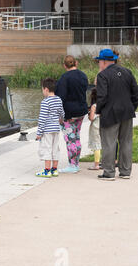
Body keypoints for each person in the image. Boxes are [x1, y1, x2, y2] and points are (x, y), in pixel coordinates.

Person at [95, 48, 138, 180]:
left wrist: (99, 111)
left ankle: (109, 172)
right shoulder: (127, 72)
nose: (98, 64)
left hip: (110, 113)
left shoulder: (103, 75)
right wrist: (132, 107)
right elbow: (135, 93)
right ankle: (125, 171)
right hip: (127, 111)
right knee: (126, 142)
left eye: (99, 61)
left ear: (104, 61)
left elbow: (102, 97)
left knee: (109, 143)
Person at [55, 55, 89, 173]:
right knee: (77, 137)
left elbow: (60, 98)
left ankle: (73, 166)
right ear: (76, 63)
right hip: (81, 111)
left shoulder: (64, 78)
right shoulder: (83, 76)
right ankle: (76, 163)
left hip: (69, 113)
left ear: (64, 65)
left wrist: (59, 115)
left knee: (70, 139)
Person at [36, 78, 65, 178]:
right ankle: (54, 170)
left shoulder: (45, 102)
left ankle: (47, 171)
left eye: (42, 89)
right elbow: (62, 113)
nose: (42, 91)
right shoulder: (58, 99)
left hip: (47, 130)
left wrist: (39, 133)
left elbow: (42, 118)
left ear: (46, 89)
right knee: (55, 148)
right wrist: (61, 120)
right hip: (56, 129)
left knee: (47, 148)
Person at [87, 87, 102, 170]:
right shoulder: (104, 103)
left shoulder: (94, 106)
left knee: (97, 146)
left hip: (96, 127)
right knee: (102, 144)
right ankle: (102, 162)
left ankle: (96, 164)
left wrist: (90, 115)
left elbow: (91, 118)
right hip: (103, 126)